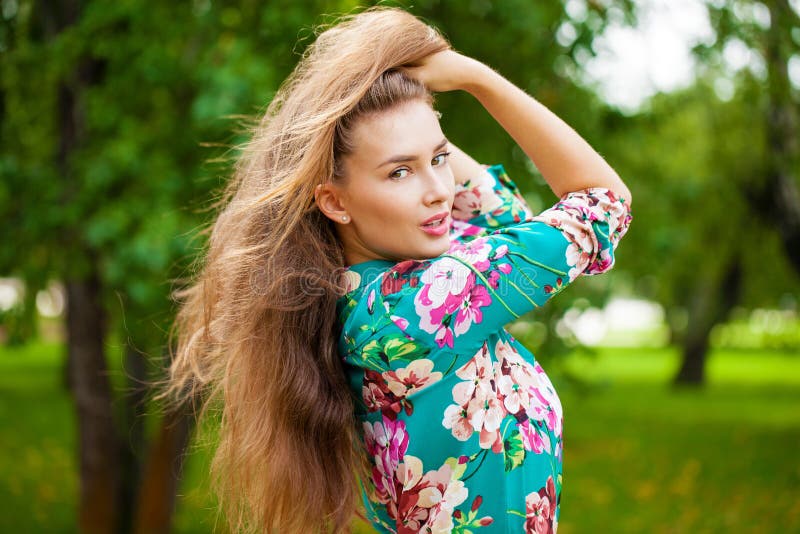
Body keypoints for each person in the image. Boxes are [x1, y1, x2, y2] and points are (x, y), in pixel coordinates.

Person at [163, 6, 633, 534]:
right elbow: (604, 204)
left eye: (440, 158)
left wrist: (395, 101)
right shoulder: (427, 303)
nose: (438, 189)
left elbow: (505, 216)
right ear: (334, 202)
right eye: (399, 172)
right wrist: (478, 80)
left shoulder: (379, 292)